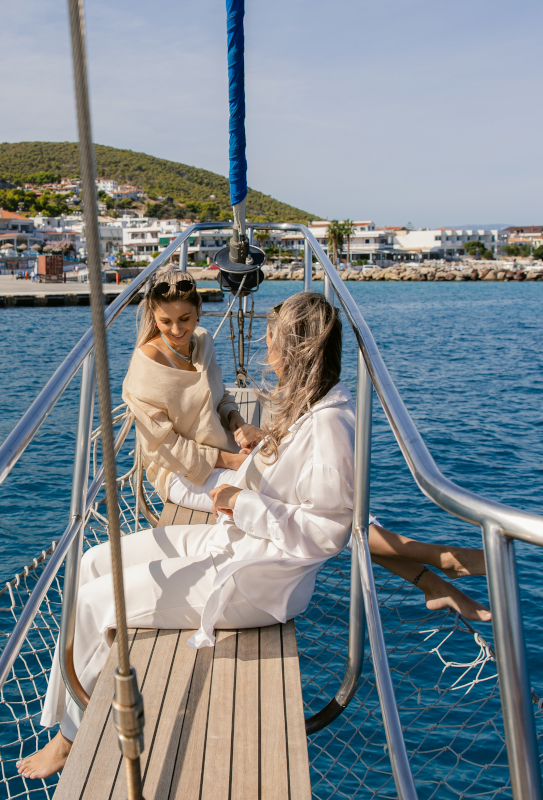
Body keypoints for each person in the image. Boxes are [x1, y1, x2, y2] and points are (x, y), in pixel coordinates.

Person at [20, 293, 354, 779]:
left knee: (95, 601)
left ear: (296, 350)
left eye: (273, 341)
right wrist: (256, 461)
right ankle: (70, 719)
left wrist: (243, 502)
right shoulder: (310, 407)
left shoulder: (327, 429)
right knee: (94, 560)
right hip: (237, 539)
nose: (266, 350)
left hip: (258, 581)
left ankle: (70, 737)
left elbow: (327, 534)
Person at [123, 267, 489, 620]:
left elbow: (221, 398)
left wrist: (238, 423)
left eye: (185, 319)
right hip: (182, 472)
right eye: (165, 322)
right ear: (152, 318)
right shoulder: (144, 372)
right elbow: (169, 449)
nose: (176, 330)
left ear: (198, 313)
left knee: (330, 508)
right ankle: (439, 560)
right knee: (324, 511)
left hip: (228, 452)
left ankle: (435, 582)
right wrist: (234, 462)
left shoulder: (201, 342)